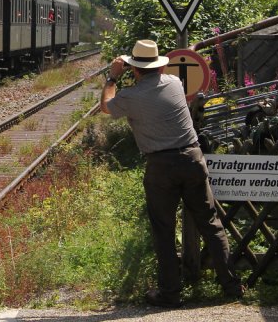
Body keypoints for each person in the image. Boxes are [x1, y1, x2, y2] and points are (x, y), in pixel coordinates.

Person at [100, 39, 245, 308]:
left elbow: (106, 106)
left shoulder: (130, 96)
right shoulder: (175, 84)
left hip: (160, 166)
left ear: (135, 69)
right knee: (210, 223)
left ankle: (170, 293)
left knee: (164, 230)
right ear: (159, 66)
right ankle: (232, 285)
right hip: (192, 158)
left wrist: (112, 77)